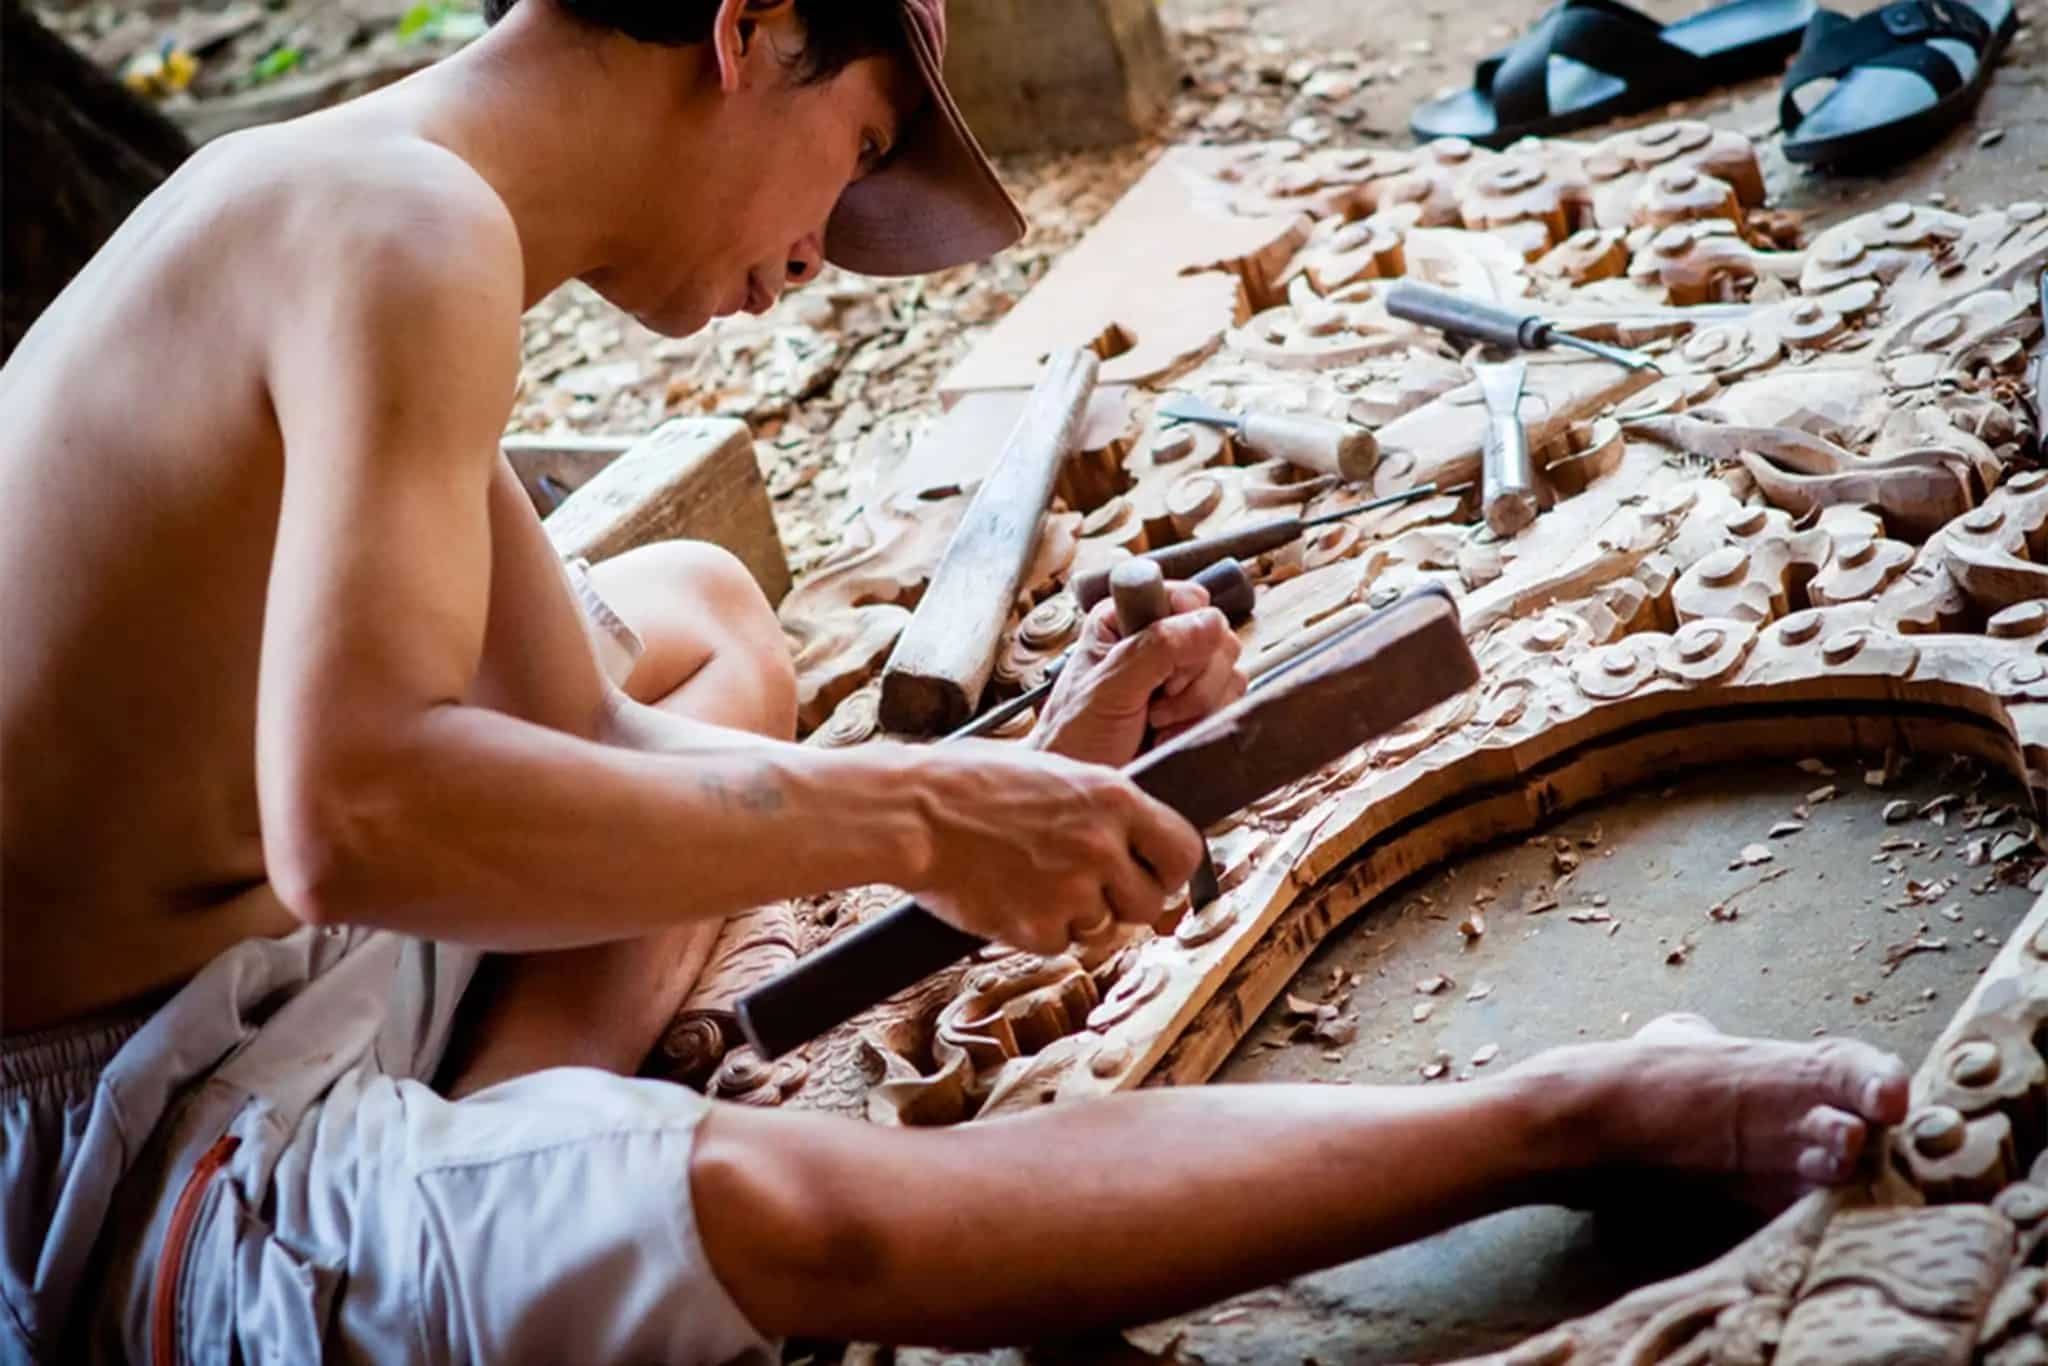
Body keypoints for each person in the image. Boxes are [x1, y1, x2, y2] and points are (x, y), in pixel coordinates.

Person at [0, 0, 1912, 1361]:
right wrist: (918, 804)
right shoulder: (406, 231)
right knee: (790, 1216)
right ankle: (1567, 1114)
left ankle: (525, 1117)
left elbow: (577, 742)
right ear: (746, 31)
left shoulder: (381, 189)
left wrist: (1019, 763)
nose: (820, 256)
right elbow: (355, 822)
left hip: (247, 968)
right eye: (854, 159)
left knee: (702, 613)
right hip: (108, 1160)